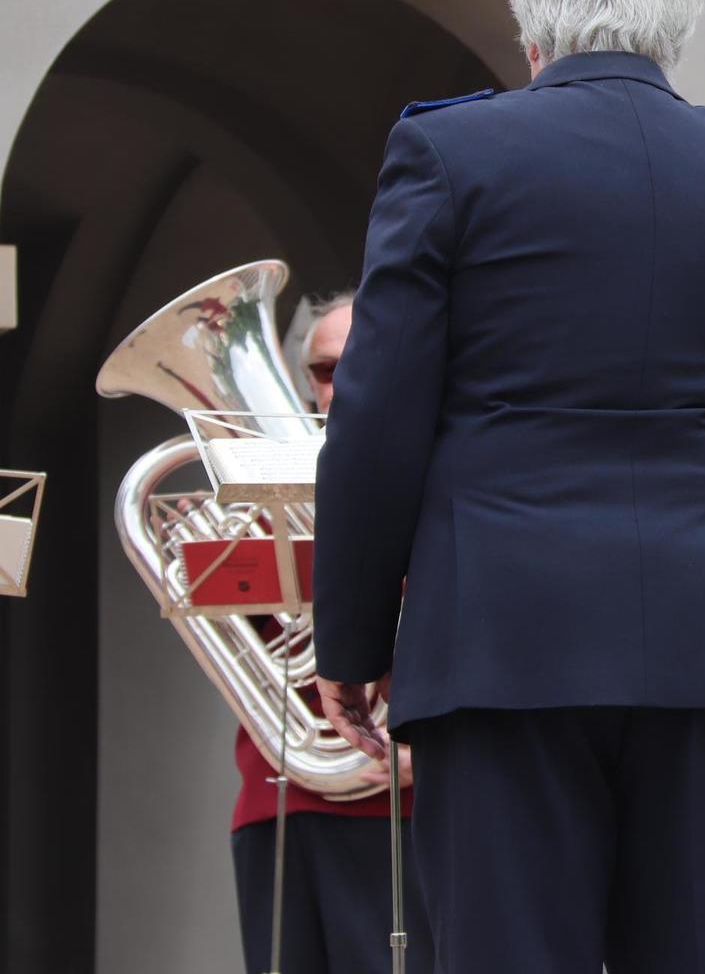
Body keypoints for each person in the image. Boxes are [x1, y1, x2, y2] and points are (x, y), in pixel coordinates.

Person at [311, 0, 705, 974]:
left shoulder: (452, 156)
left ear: (532, 20)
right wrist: (691, 475)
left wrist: (353, 642)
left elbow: (376, 418)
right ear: (678, 23)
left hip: (506, 638)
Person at [228, 290, 435, 974]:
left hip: (419, 806)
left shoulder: (453, 486)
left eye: (360, 361)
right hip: (282, 804)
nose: (342, 385)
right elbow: (239, 652)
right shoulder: (259, 506)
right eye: (322, 370)